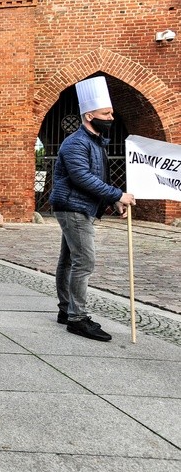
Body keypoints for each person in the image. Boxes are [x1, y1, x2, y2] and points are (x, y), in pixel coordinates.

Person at [50, 75, 135, 342]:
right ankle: (77, 318)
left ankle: (67, 310)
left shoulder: (95, 141)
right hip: (73, 207)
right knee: (84, 260)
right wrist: (118, 193)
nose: (111, 117)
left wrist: (113, 199)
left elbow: (98, 176)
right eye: (105, 113)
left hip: (77, 206)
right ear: (89, 115)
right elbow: (82, 177)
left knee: (69, 260)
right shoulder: (76, 142)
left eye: (111, 113)